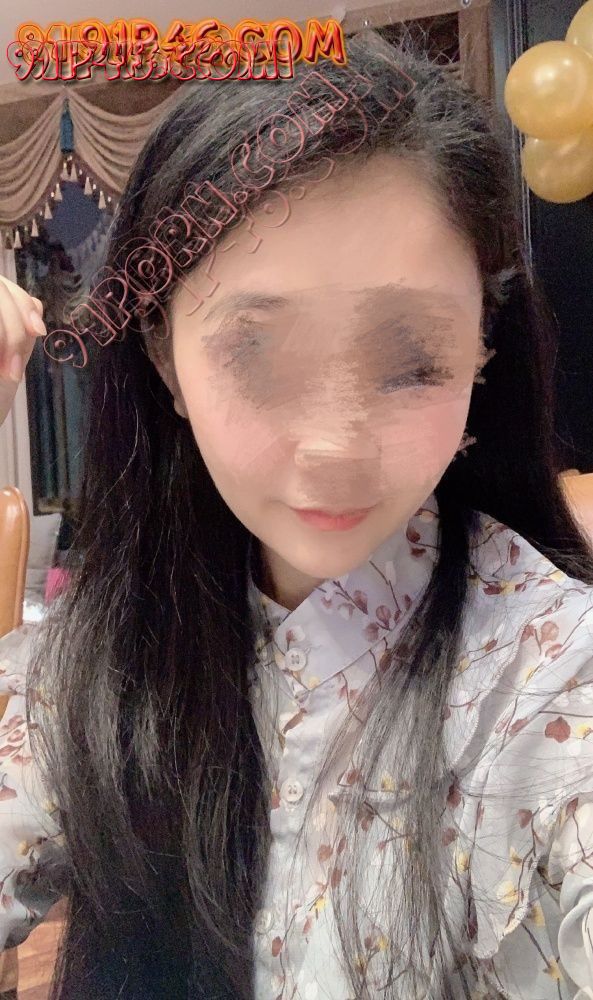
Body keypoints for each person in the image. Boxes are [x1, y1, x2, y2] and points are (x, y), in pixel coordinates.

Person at [0, 27, 592, 1000]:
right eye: (257, 353)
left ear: (481, 348)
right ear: (164, 359)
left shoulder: (546, 678)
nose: (334, 448)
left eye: (411, 358)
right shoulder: (94, 662)